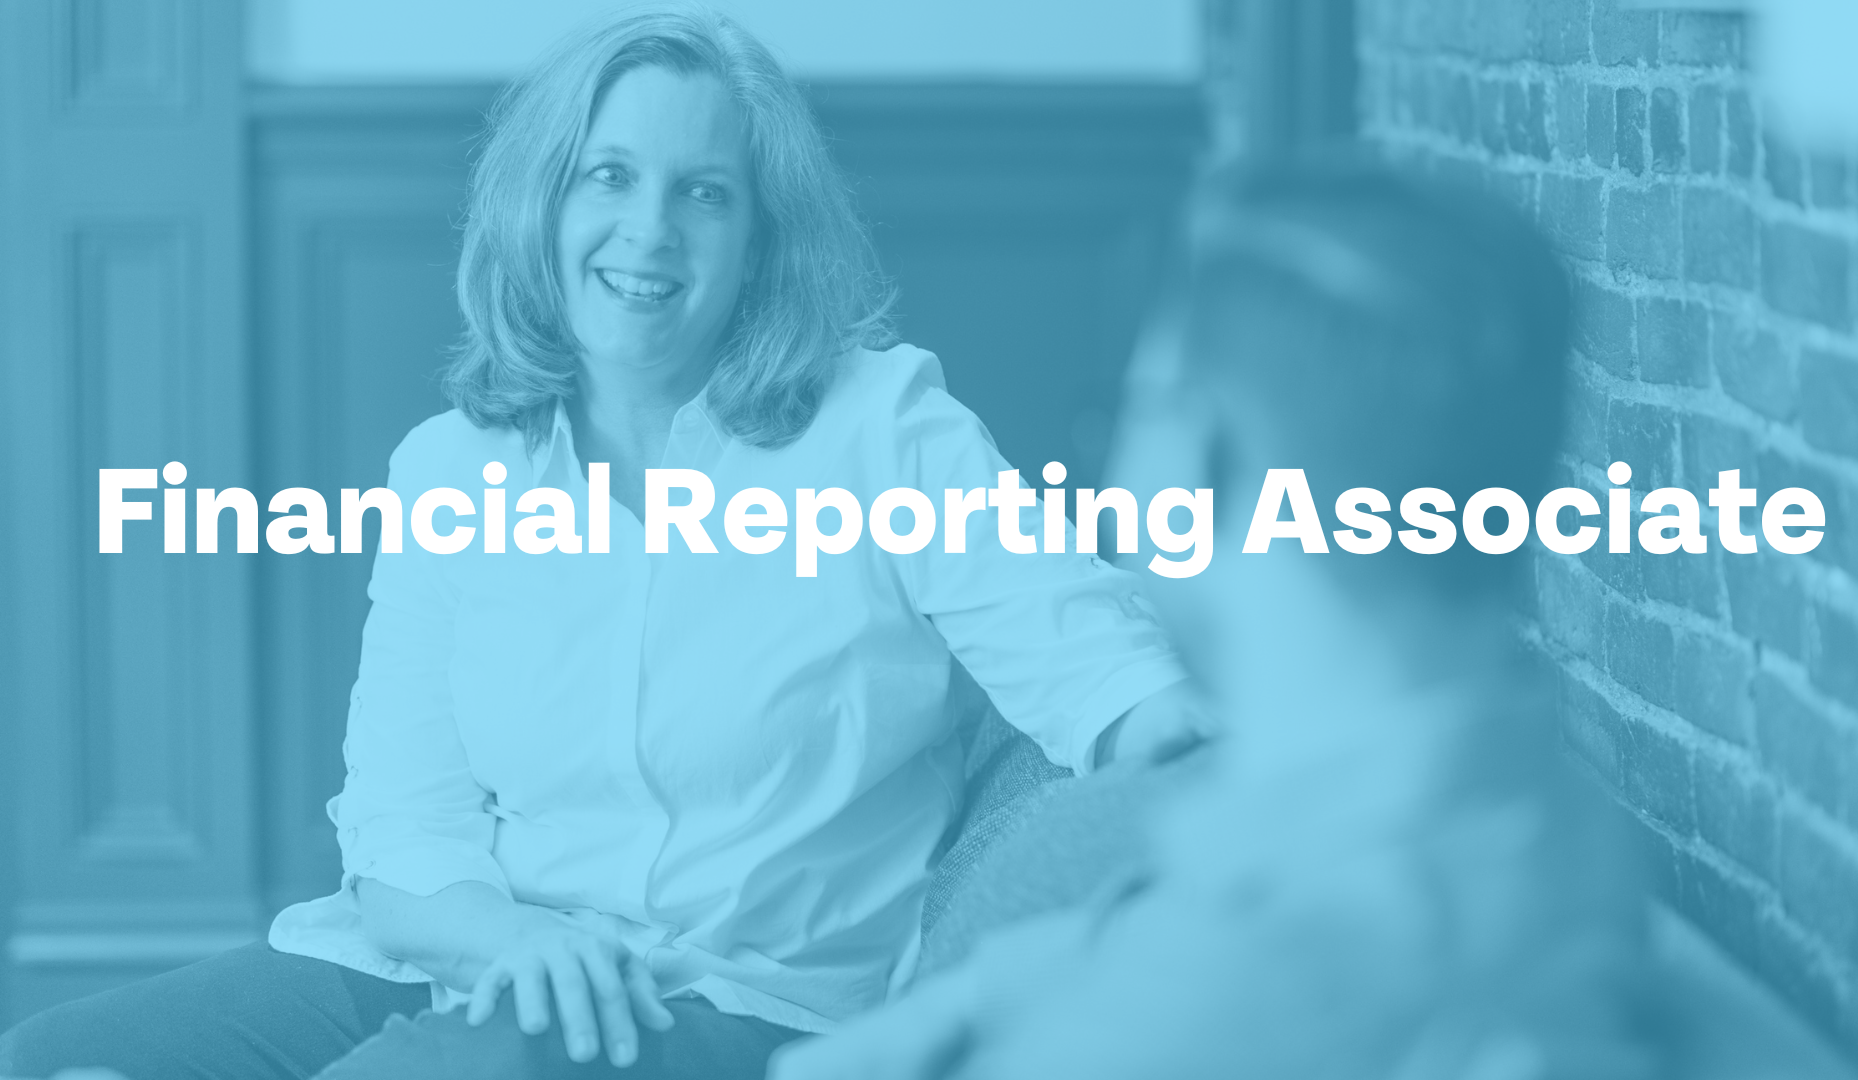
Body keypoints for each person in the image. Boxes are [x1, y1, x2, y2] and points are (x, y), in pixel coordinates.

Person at [0, 7, 1206, 1079]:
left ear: (762, 236)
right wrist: (513, 939)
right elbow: (404, 828)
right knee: (54, 1056)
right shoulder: (451, 468)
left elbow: (1096, 673)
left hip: (739, 1002)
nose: (649, 231)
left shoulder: (885, 433)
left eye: (704, 193)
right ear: (544, 203)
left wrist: (1213, 755)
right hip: (479, 956)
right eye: (609, 176)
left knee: (467, 1063)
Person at [769, 164, 1659, 1079]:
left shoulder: (1222, 991)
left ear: (1199, 459)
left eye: (1134, 407)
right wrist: (971, 997)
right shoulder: (1535, 814)